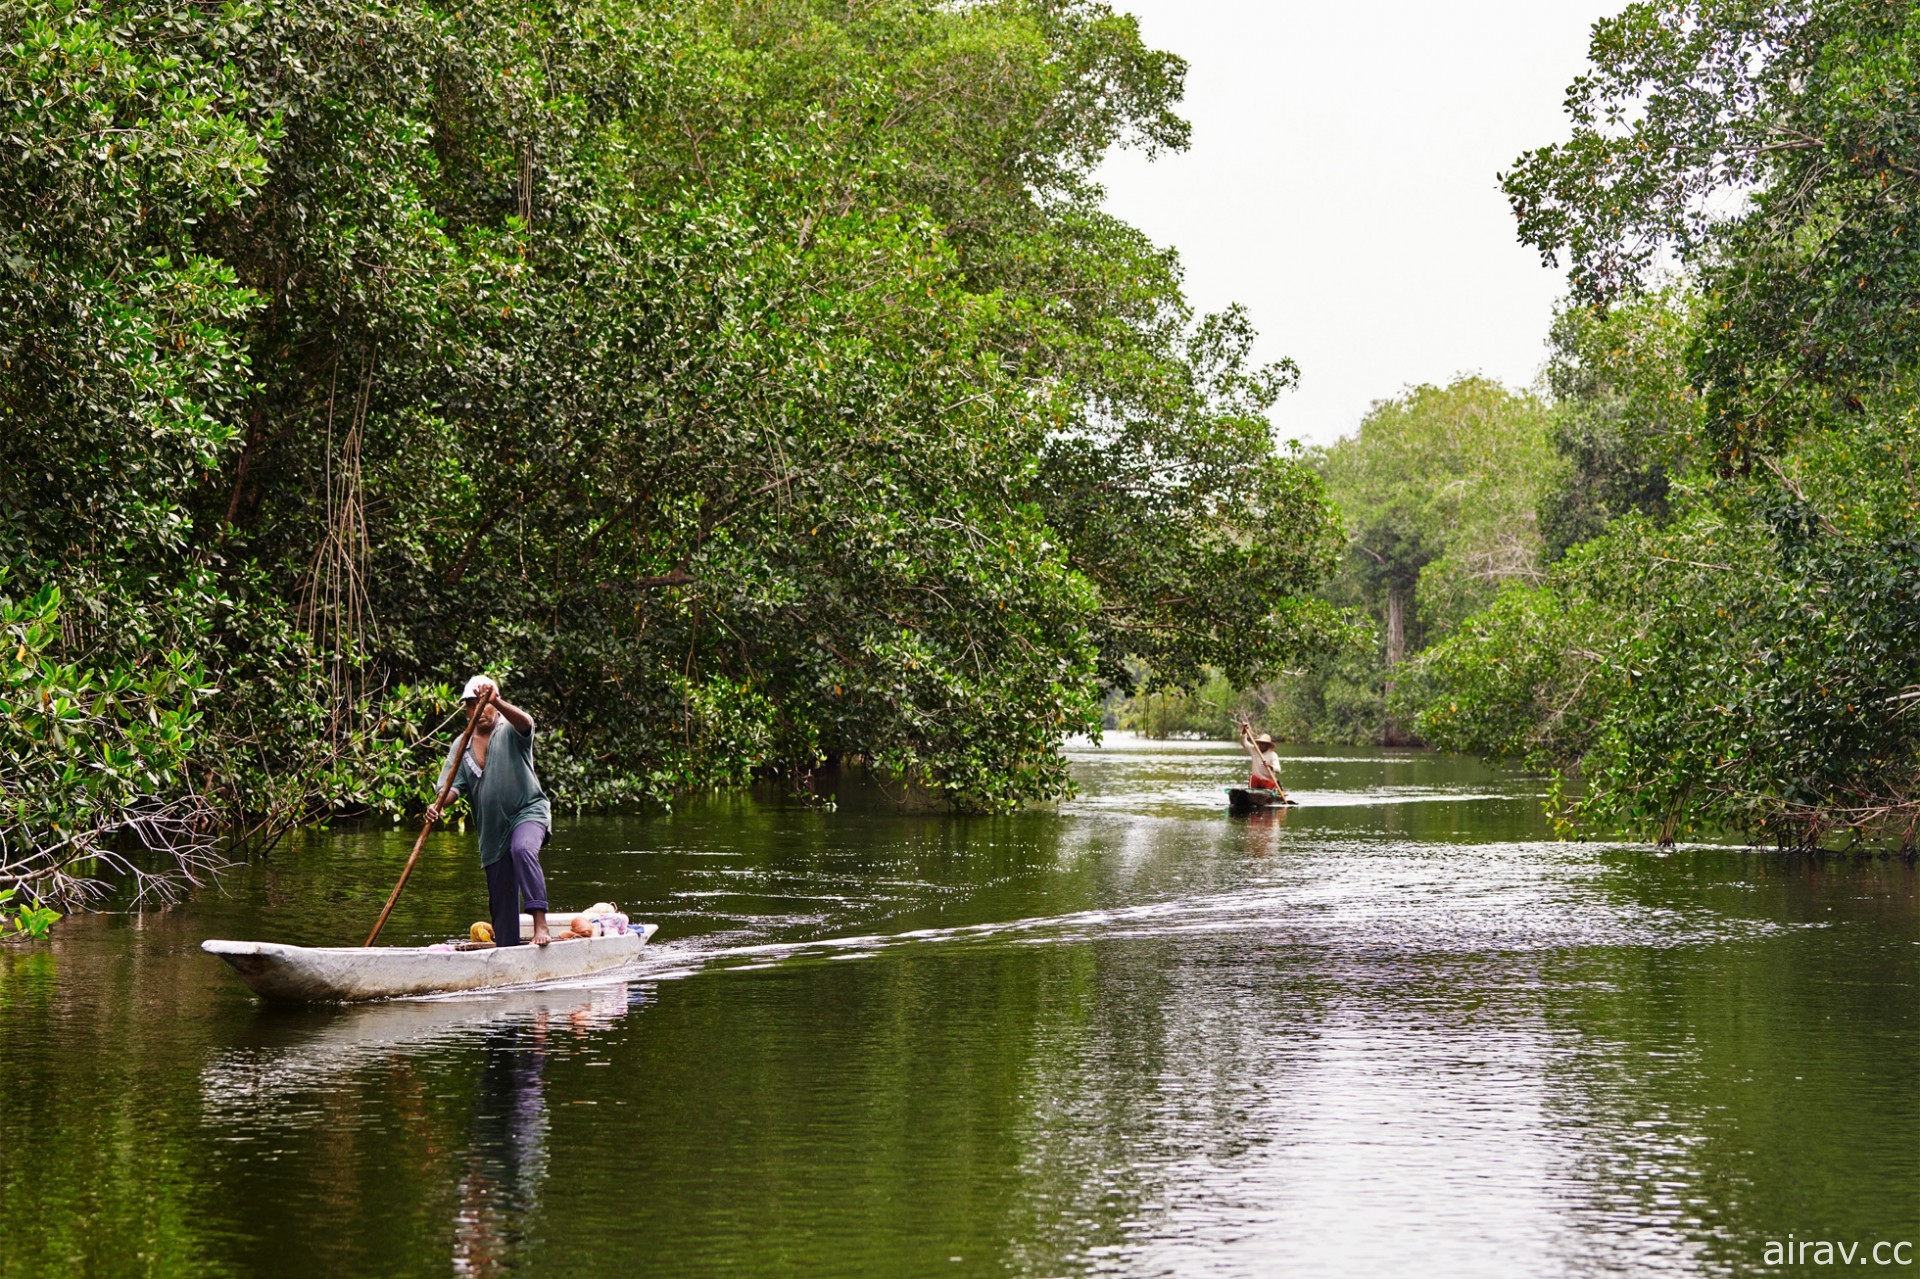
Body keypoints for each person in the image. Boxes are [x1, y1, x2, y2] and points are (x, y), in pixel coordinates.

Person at [426, 675, 555, 946]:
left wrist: (497, 698)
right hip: (492, 833)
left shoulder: (510, 730)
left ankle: (540, 926)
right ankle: (506, 950)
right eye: (471, 705)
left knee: (522, 849)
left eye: (482, 704)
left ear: (494, 705)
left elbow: (527, 723)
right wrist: (438, 805)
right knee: (502, 901)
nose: (477, 711)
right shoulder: (461, 746)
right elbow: (451, 789)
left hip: (528, 812)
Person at [1238, 721, 1286, 798]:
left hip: (1267, 782)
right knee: (1252, 778)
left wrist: (1270, 766)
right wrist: (1244, 731)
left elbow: (1278, 769)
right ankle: (1251, 795)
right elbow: (1244, 742)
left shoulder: (1272, 755)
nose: (1261, 745)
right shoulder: (1254, 750)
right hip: (1256, 781)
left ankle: (1269, 795)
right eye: (1260, 743)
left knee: (1272, 784)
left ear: (1268, 745)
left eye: (1264, 744)